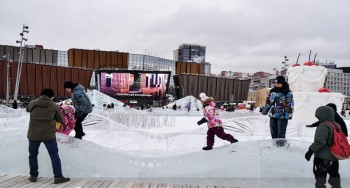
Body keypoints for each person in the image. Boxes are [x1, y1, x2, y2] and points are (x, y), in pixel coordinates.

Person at [26, 88, 70, 184]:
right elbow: (60, 119)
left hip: (33, 134)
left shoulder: (33, 103)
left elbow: (27, 109)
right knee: (54, 155)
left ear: (41, 95)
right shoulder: (54, 106)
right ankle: (58, 177)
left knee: (32, 155)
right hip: (48, 135)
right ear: (51, 96)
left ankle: (33, 176)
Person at [305, 106, 341, 188]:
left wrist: (310, 151)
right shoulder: (336, 125)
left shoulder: (323, 126)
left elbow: (320, 142)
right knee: (334, 174)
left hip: (322, 157)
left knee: (320, 177)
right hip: (334, 156)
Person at [262, 75, 294, 147]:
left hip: (282, 115)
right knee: (273, 131)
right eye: (275, 83)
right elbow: (268, 101)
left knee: (281, 132)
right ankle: (275, 146)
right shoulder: (272, 91)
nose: (276, 84)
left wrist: (289, 114)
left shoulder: (287, 92)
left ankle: (281, 147)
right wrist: (265, 110)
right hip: (273, 114)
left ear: (282, 83)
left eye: (278, 83)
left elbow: (290, 103)